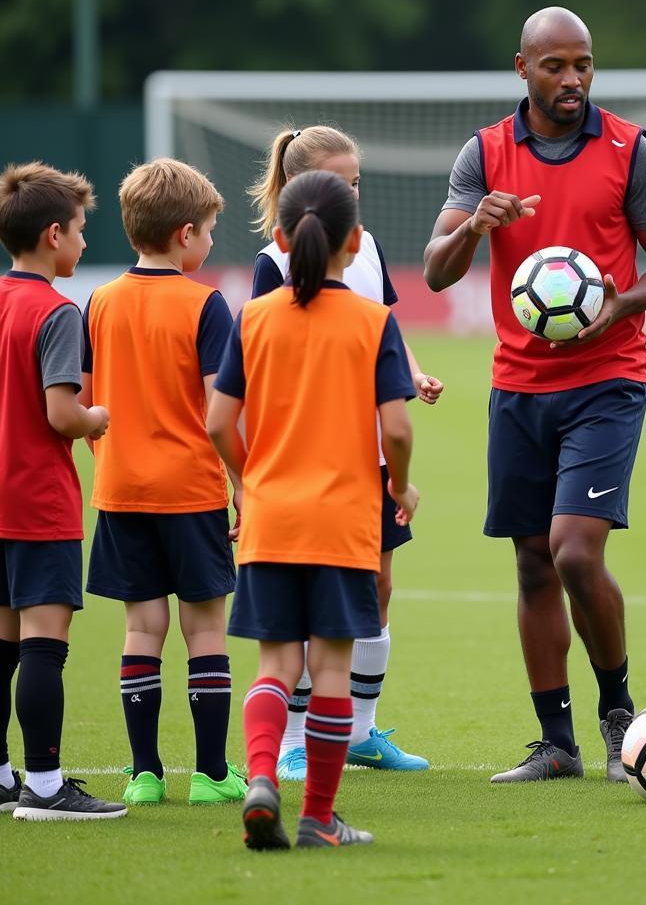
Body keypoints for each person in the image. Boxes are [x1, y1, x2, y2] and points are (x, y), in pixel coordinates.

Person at [423, 6, 646, 783]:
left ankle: (618, 719)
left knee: (575, 549)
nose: (572, 79)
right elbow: (438, 271)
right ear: (522, 68)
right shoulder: (486, 155)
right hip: (518, 386)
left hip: (607, 380)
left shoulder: (629, 149)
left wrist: (622, 302)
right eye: (555, 66)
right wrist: (475, 225)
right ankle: (555, 744)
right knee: (533, 563)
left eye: (583, 64)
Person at [208, 169, 419, 850]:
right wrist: (401, 486)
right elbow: (397, 429)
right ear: (354, 243)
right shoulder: (372, 320)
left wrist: (248, 482)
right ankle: (318, 818)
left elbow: (218, 422)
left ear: (278, 236)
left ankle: (263, 776)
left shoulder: (253, 317)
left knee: (276, 668)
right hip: (341, 522)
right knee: (329, 669)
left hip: (270, 519)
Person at [249, 125, 441, 776]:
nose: (352, 195)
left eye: (357, 184)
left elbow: (386, 321)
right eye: (341, 184)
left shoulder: (367, 248)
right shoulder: (273, 265)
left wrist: (410, 371)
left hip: (371, 456)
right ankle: (298, 738)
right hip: (306, 456)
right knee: (307, 611)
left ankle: (359, 730)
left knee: (378, 586)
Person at [80, 158, 246, 807]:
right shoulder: (205, 305)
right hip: (191, 490)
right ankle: (209, 775)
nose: (208, 243)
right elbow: (217, 412)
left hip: (122, 490)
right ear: (185, 235)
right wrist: (241, 479)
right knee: (204, 630)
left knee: (141, 629)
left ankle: (144, 774)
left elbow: (87, 401)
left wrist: (114, 457)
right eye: (207, 230)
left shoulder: (100, 301)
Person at [0, 162, 125, 820]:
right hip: (36, 501)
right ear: (54, 234)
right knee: (45, 645)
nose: (82, 242)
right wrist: (96, 418)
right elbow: (61, 414)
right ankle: (45, 788)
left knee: (3, 646)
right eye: (80, 230)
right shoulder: (56, 313)